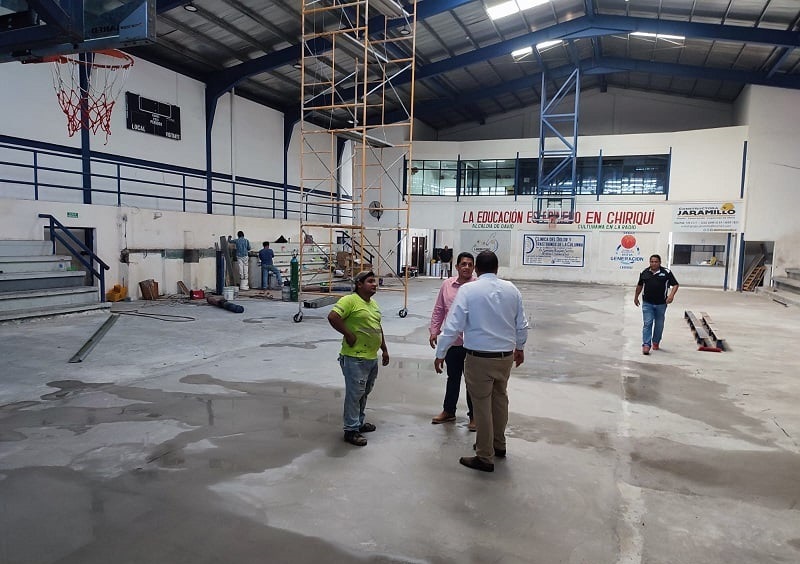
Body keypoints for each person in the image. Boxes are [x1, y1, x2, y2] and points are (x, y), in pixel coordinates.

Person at [434, 251, 529, 473]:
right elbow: (522, 324)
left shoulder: (469, 290)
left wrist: (441, 352)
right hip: (504, 357)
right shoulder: (511, 289)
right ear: (497, 269)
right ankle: (499, 444)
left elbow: (453, 325)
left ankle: (485, 456)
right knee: (500, 400)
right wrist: (520, 348)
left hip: (479, 358)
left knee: (482, 406)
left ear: (477, 269)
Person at [328, 270, 390, 447]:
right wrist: (348, 334)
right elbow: (333, 317)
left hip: (370, 357)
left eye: (375, 281)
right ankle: (351, 430)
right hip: (354, 358)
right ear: (359, 284)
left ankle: (359, 423)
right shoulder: (349, 300)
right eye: (370, 281)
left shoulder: (374, 304)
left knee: (364, 392)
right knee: (355, 394)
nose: (374, 284)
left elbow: (377, 327)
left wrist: (384, 349)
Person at [429, 252, 476, 430]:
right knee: (453, 378)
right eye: (463, 264)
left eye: (470, 264)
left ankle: (474, 417)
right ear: (456, 267)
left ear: (474, 268)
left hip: (472, 343)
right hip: (453, 342)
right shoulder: (447, 285)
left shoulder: (477, 286)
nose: (466, 267)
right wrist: (434, 331)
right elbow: (439, 309)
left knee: (472, 382)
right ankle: (448, 411)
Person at [634, 254, 679, 355]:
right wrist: (636, 296)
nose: (653, 263)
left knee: (659, 324)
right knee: (647, 323)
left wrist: (671, 295)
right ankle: (646, 344)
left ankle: (655, 342)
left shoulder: (666, 272)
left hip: (661, 304)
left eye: (656, 262)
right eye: (652, 262)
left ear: (660, 262)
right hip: (647, 303)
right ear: (649, 262)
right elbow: (640, 285)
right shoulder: (644, 272)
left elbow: (675, 284)